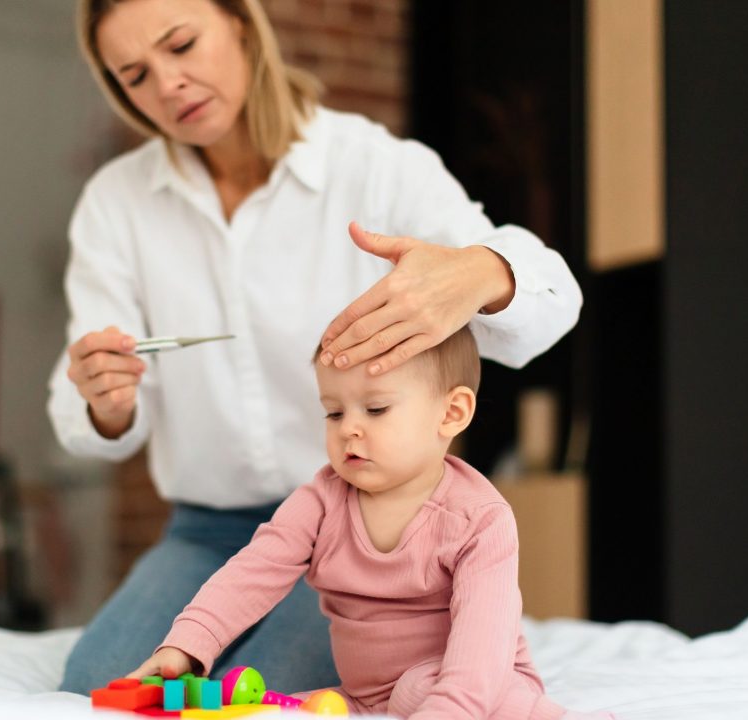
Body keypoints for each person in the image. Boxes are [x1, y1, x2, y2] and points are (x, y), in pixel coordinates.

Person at [49, 0, 583, 696]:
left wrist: (478, 274)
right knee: (103, 683)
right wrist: (105, 400)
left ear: (241, 23)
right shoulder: (115, 204)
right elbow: (90, 421)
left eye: (181, 44)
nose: (167, 83)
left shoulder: (376, 168)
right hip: (206, 533)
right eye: (135, 76)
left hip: (365, 519)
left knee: (253, 690)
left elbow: (557, 299)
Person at [125, 327, 613, 720]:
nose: (349, 428)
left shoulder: (480, 520)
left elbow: (481, 648)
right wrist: (187, 646)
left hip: (473, 687)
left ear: (452, 411)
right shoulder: (320, 501)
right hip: (366, 696)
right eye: (333, 412)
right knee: (275, 706)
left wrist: (447, 710)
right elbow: (251, 573)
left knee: (429, 689)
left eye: (376, 409)